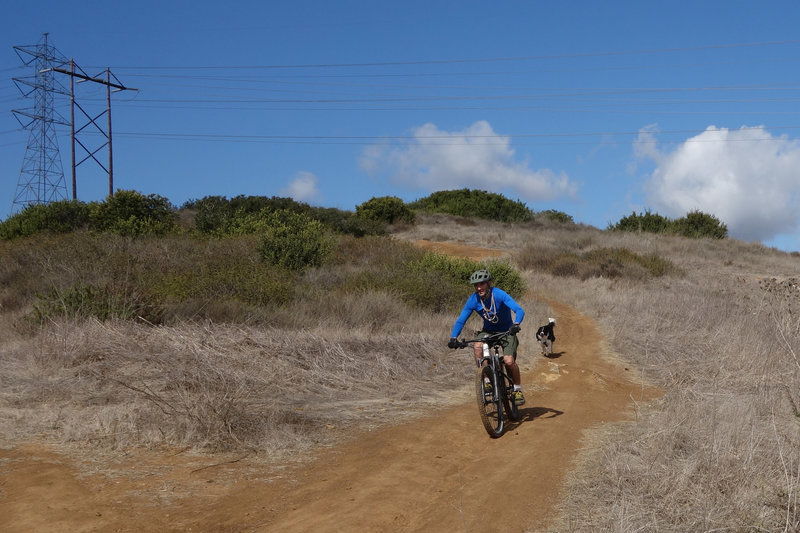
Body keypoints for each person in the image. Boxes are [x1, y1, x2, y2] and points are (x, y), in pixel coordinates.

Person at [447, 269, 526, 405]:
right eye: (476, 285)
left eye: (482, 284)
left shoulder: (499, 294)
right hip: (488, 332)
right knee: (477, 346)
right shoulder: (473, 300)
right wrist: (454, 338)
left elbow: (519, 310)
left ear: (489, 283)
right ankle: (487, 380)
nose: (479, 288)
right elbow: (461, 320)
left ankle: (517, 390)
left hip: (507, 331)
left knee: (509, 361)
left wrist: (516, 323)